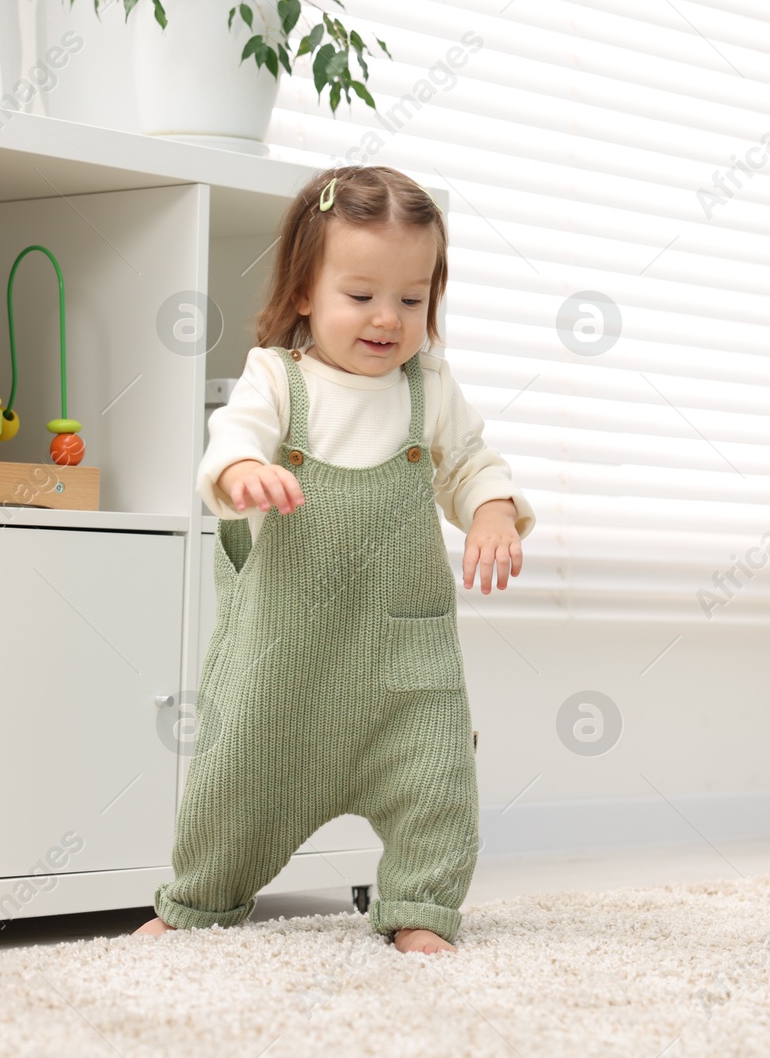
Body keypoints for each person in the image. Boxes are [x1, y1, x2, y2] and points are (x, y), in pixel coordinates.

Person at [133, 165, 536, 954]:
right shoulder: (278, 379)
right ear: (305, 292)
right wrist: (244, 473)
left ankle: (422, 904)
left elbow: (470, 464)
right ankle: (201, 899)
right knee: (235, 784)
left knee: (437, 778)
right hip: (283, 664)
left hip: (401, 661)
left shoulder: (428, 386)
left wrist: (492, 512)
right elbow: (233, 439)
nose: (388, 318)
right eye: (361, 296)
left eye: (412, 299)